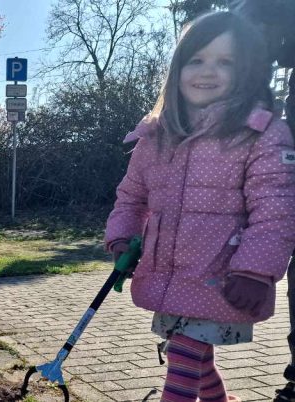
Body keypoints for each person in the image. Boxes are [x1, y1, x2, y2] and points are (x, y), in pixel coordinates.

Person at [105, 11, 295, 402]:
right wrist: (122, 239)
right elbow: (131, 197)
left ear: (248, 71)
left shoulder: (261, 135)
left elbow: (276, 210)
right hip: (169, 273)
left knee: (184, 355)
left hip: (224, 278)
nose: (208, 71)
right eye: (197, 59)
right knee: (193, 357)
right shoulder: (156, 137)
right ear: (178, 69)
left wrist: (256, 271)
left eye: (226, 62)